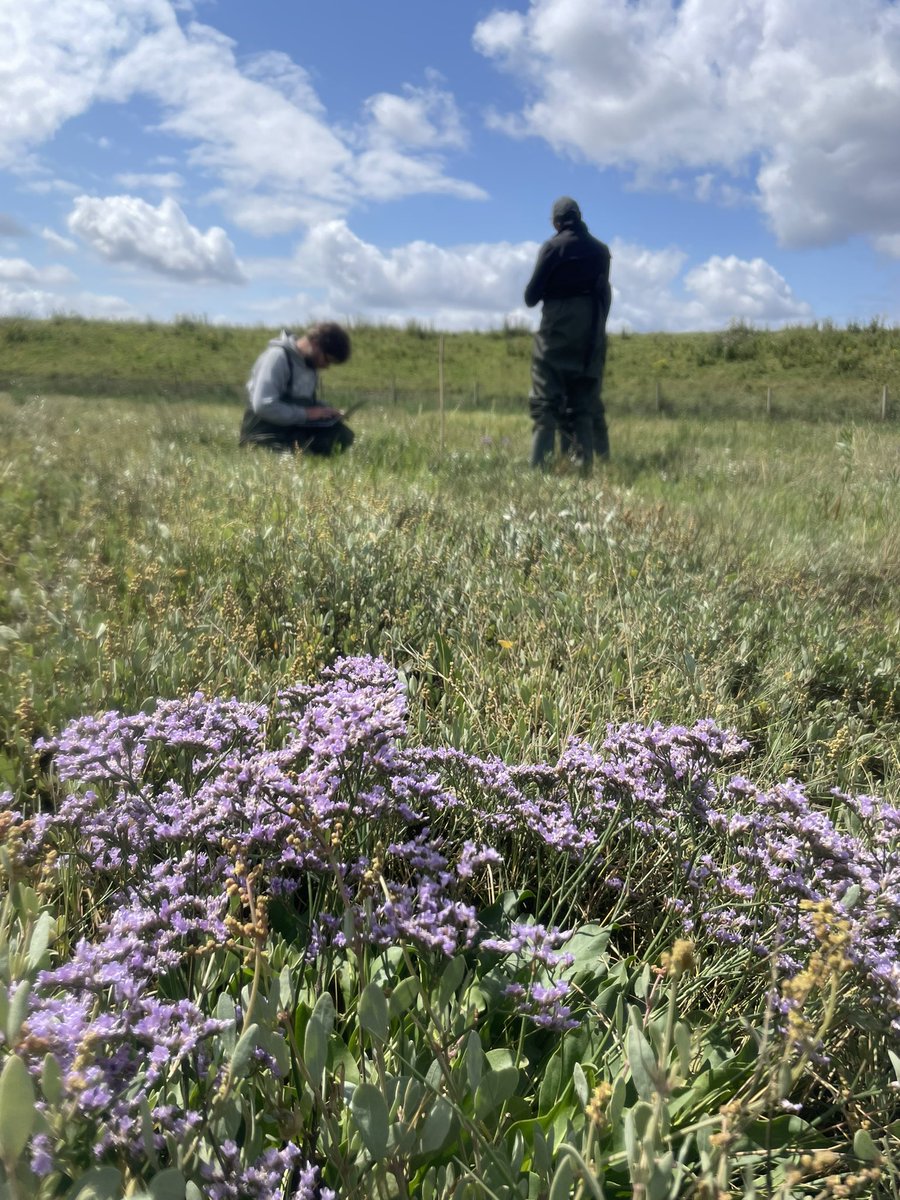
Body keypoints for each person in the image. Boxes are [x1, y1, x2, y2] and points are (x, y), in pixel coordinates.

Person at [523, 197, 612, 471]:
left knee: (546, 399)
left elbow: (531, 297)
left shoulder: (552, 247)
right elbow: (603, 293)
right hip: (591, 333)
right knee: (583, 401)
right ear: (580, 216)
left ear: (556, 222)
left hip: (557, 332)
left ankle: (540, 470)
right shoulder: (601, 251)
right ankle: (583, 468)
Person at [239, 322, 354, 454]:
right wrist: (307, 414)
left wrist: (325, 411)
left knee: (342, 436)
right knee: (300, 455)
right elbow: (263, 405)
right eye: (327, 360)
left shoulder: (310, 365)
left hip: (292, 428)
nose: (326, 366)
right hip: (263, 432)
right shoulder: (277, 357)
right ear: (316, 343)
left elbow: (305, 402)